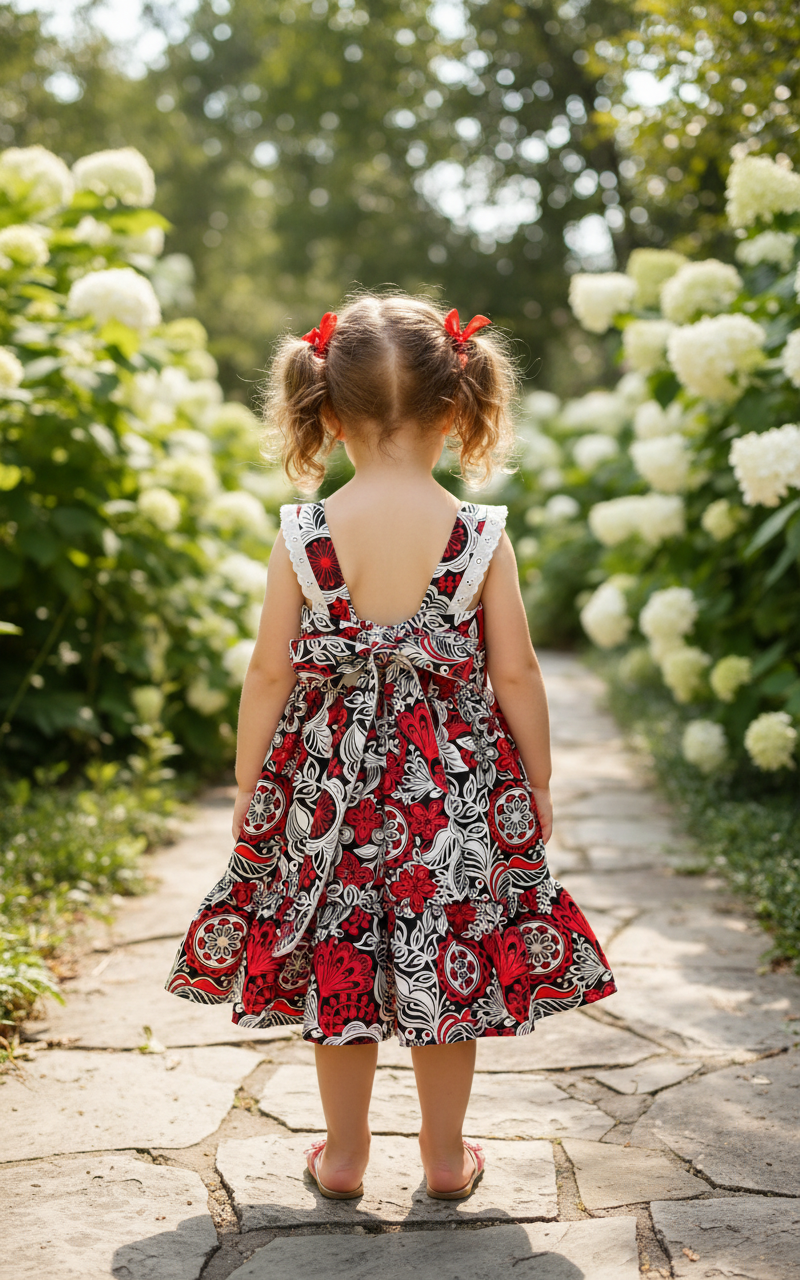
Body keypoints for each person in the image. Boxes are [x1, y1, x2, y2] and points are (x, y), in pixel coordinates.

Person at [165, 293, 616, 1202]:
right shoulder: (480, 535)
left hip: (325, 794)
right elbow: (518, 674)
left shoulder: (304, 535)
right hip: (450, 794)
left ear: (324, 412)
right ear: (458, 407)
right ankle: (446, 1160)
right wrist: (537, 781)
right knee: (444, 947)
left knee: (343, 956)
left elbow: (266, 674)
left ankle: (343, 1157)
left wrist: (255, 779)